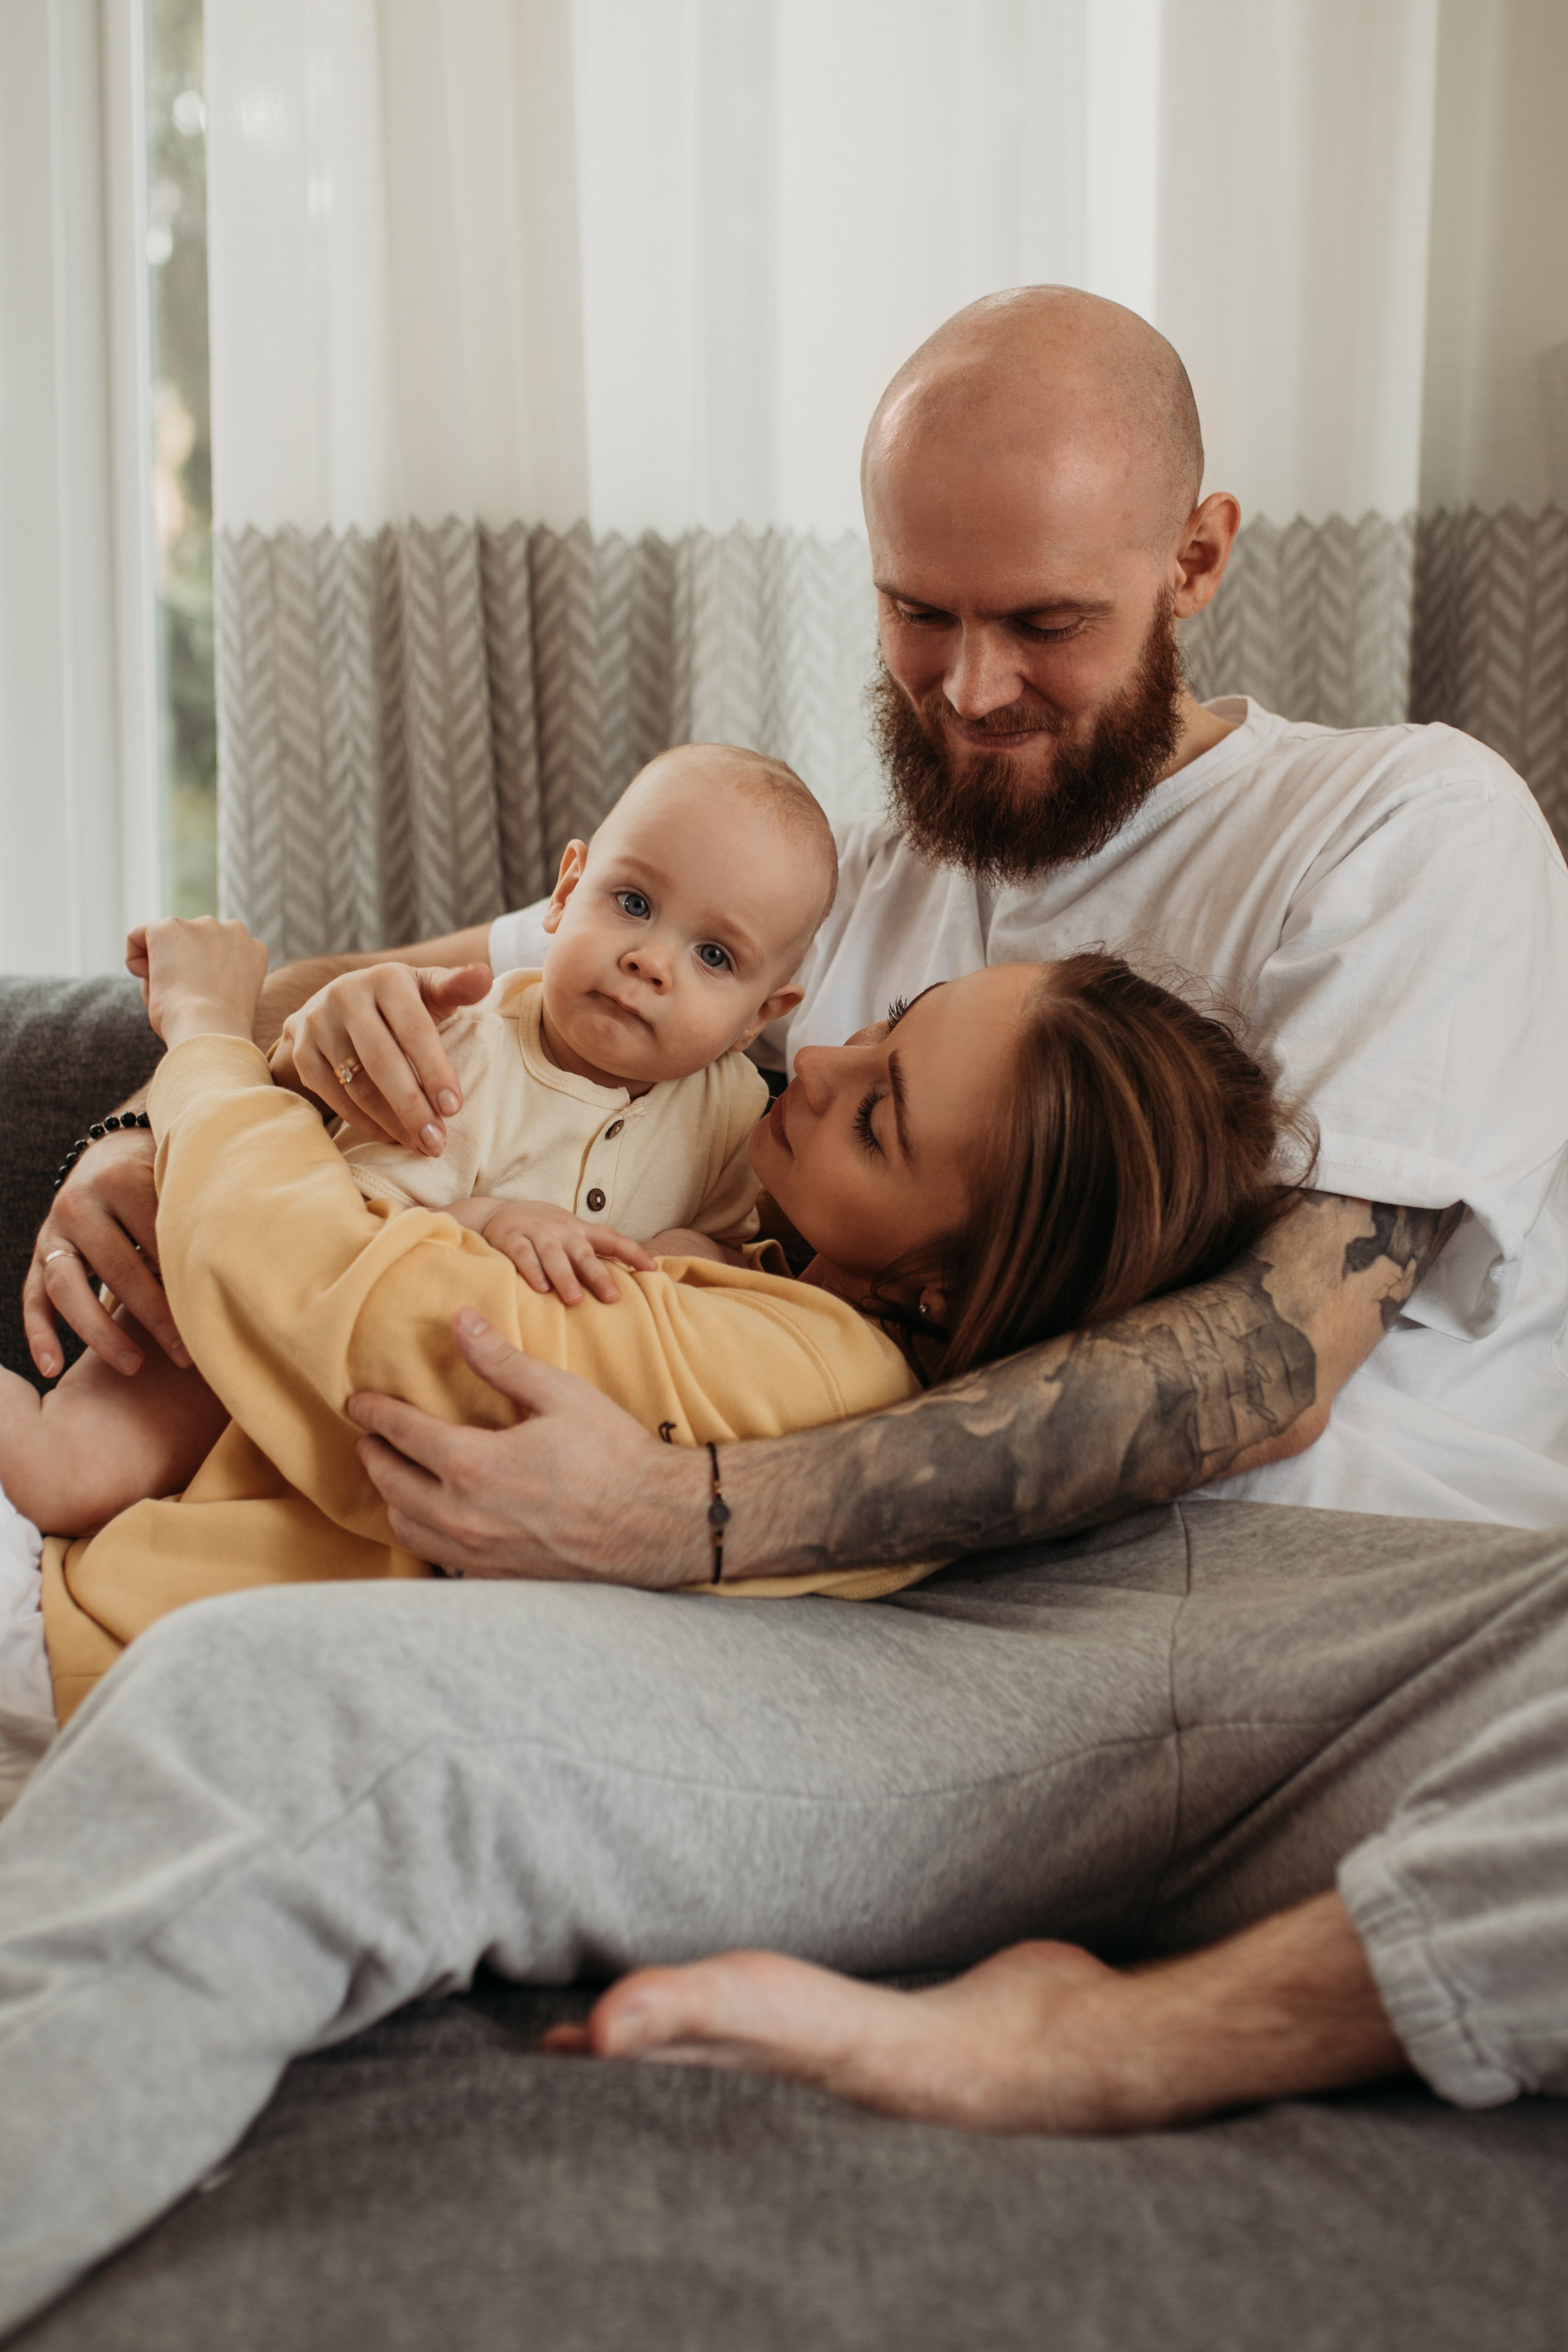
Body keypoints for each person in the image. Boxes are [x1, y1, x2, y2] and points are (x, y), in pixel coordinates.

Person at [6, 285, 1568, 2335]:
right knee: (286, 1710)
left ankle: (1120, 2040)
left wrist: (688, 1514)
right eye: (923, 614)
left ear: (1198, 558)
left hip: (1339, 1629)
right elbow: (366, 991)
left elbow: (1268, 1363)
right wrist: (150, 1124)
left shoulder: (1402, 827)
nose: (973, 688)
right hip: (917, 1647)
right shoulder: (858, 887)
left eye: (1047, 626)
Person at [23, 916, 1298, 1732]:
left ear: (946, 1291)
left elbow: (311, 1279)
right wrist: (262, 1067)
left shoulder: (798, 1378)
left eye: (876, 1120)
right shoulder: (759, 1236)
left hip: (104, 1655)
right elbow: (442, 987)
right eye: (890, 1022)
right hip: (113, 1604)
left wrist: (200, 1037)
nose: (820, 1066)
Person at [0, 742, 835, 1539]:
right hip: (261, 1312)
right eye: (634, 903)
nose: (652, 960)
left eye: (715, 956)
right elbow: (328, 1238)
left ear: (761, 1017)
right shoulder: (464, 1044)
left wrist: (692, 1254)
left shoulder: (734, 1118)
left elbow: (733, 1278)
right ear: (566, 890)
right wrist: (488, 1223)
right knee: (61, 1475)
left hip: (448, 1407)